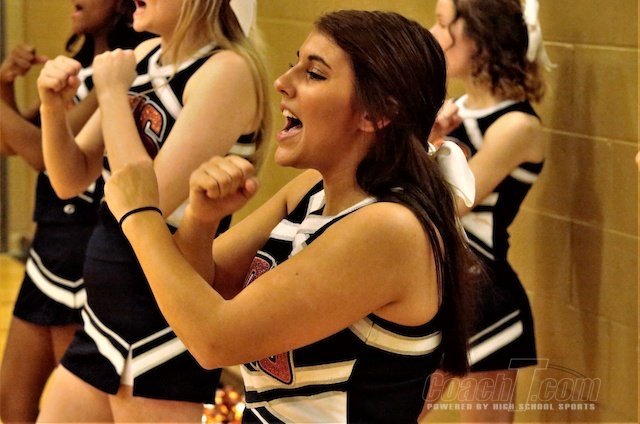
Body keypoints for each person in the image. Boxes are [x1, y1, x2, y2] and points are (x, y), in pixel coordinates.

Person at [102, 9, 477, 423]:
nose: (282, 82)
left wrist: (139, 215)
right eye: (294, 64)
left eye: (313, 74)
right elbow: (200, 291)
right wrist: (201, 220)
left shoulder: (390, 227)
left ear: (376, 114)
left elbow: (213, 341)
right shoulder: (312, 190)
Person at [35, 0, 270, 422]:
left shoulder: (227, 71)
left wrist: (110, 93)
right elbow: (69, 178)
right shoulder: (144, 56)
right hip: (103, 319)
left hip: (161, 323)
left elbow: (145, 201)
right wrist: (52, 108)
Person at [0, 1, 151, 421]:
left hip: (84, 257)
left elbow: (43, 158)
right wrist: (4, 85)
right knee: (11, 403)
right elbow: (12, 141)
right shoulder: (78, 67)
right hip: (47, 250)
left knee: (75, 412)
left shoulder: (119, 74)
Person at [423, 0, 550, 421]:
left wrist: (427, 141)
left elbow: (451, 204)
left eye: (442, 23)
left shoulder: (516, 126)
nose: (434, 35)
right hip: (439, 285)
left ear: (479, 37)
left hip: (483, 296)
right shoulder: (454, 110)